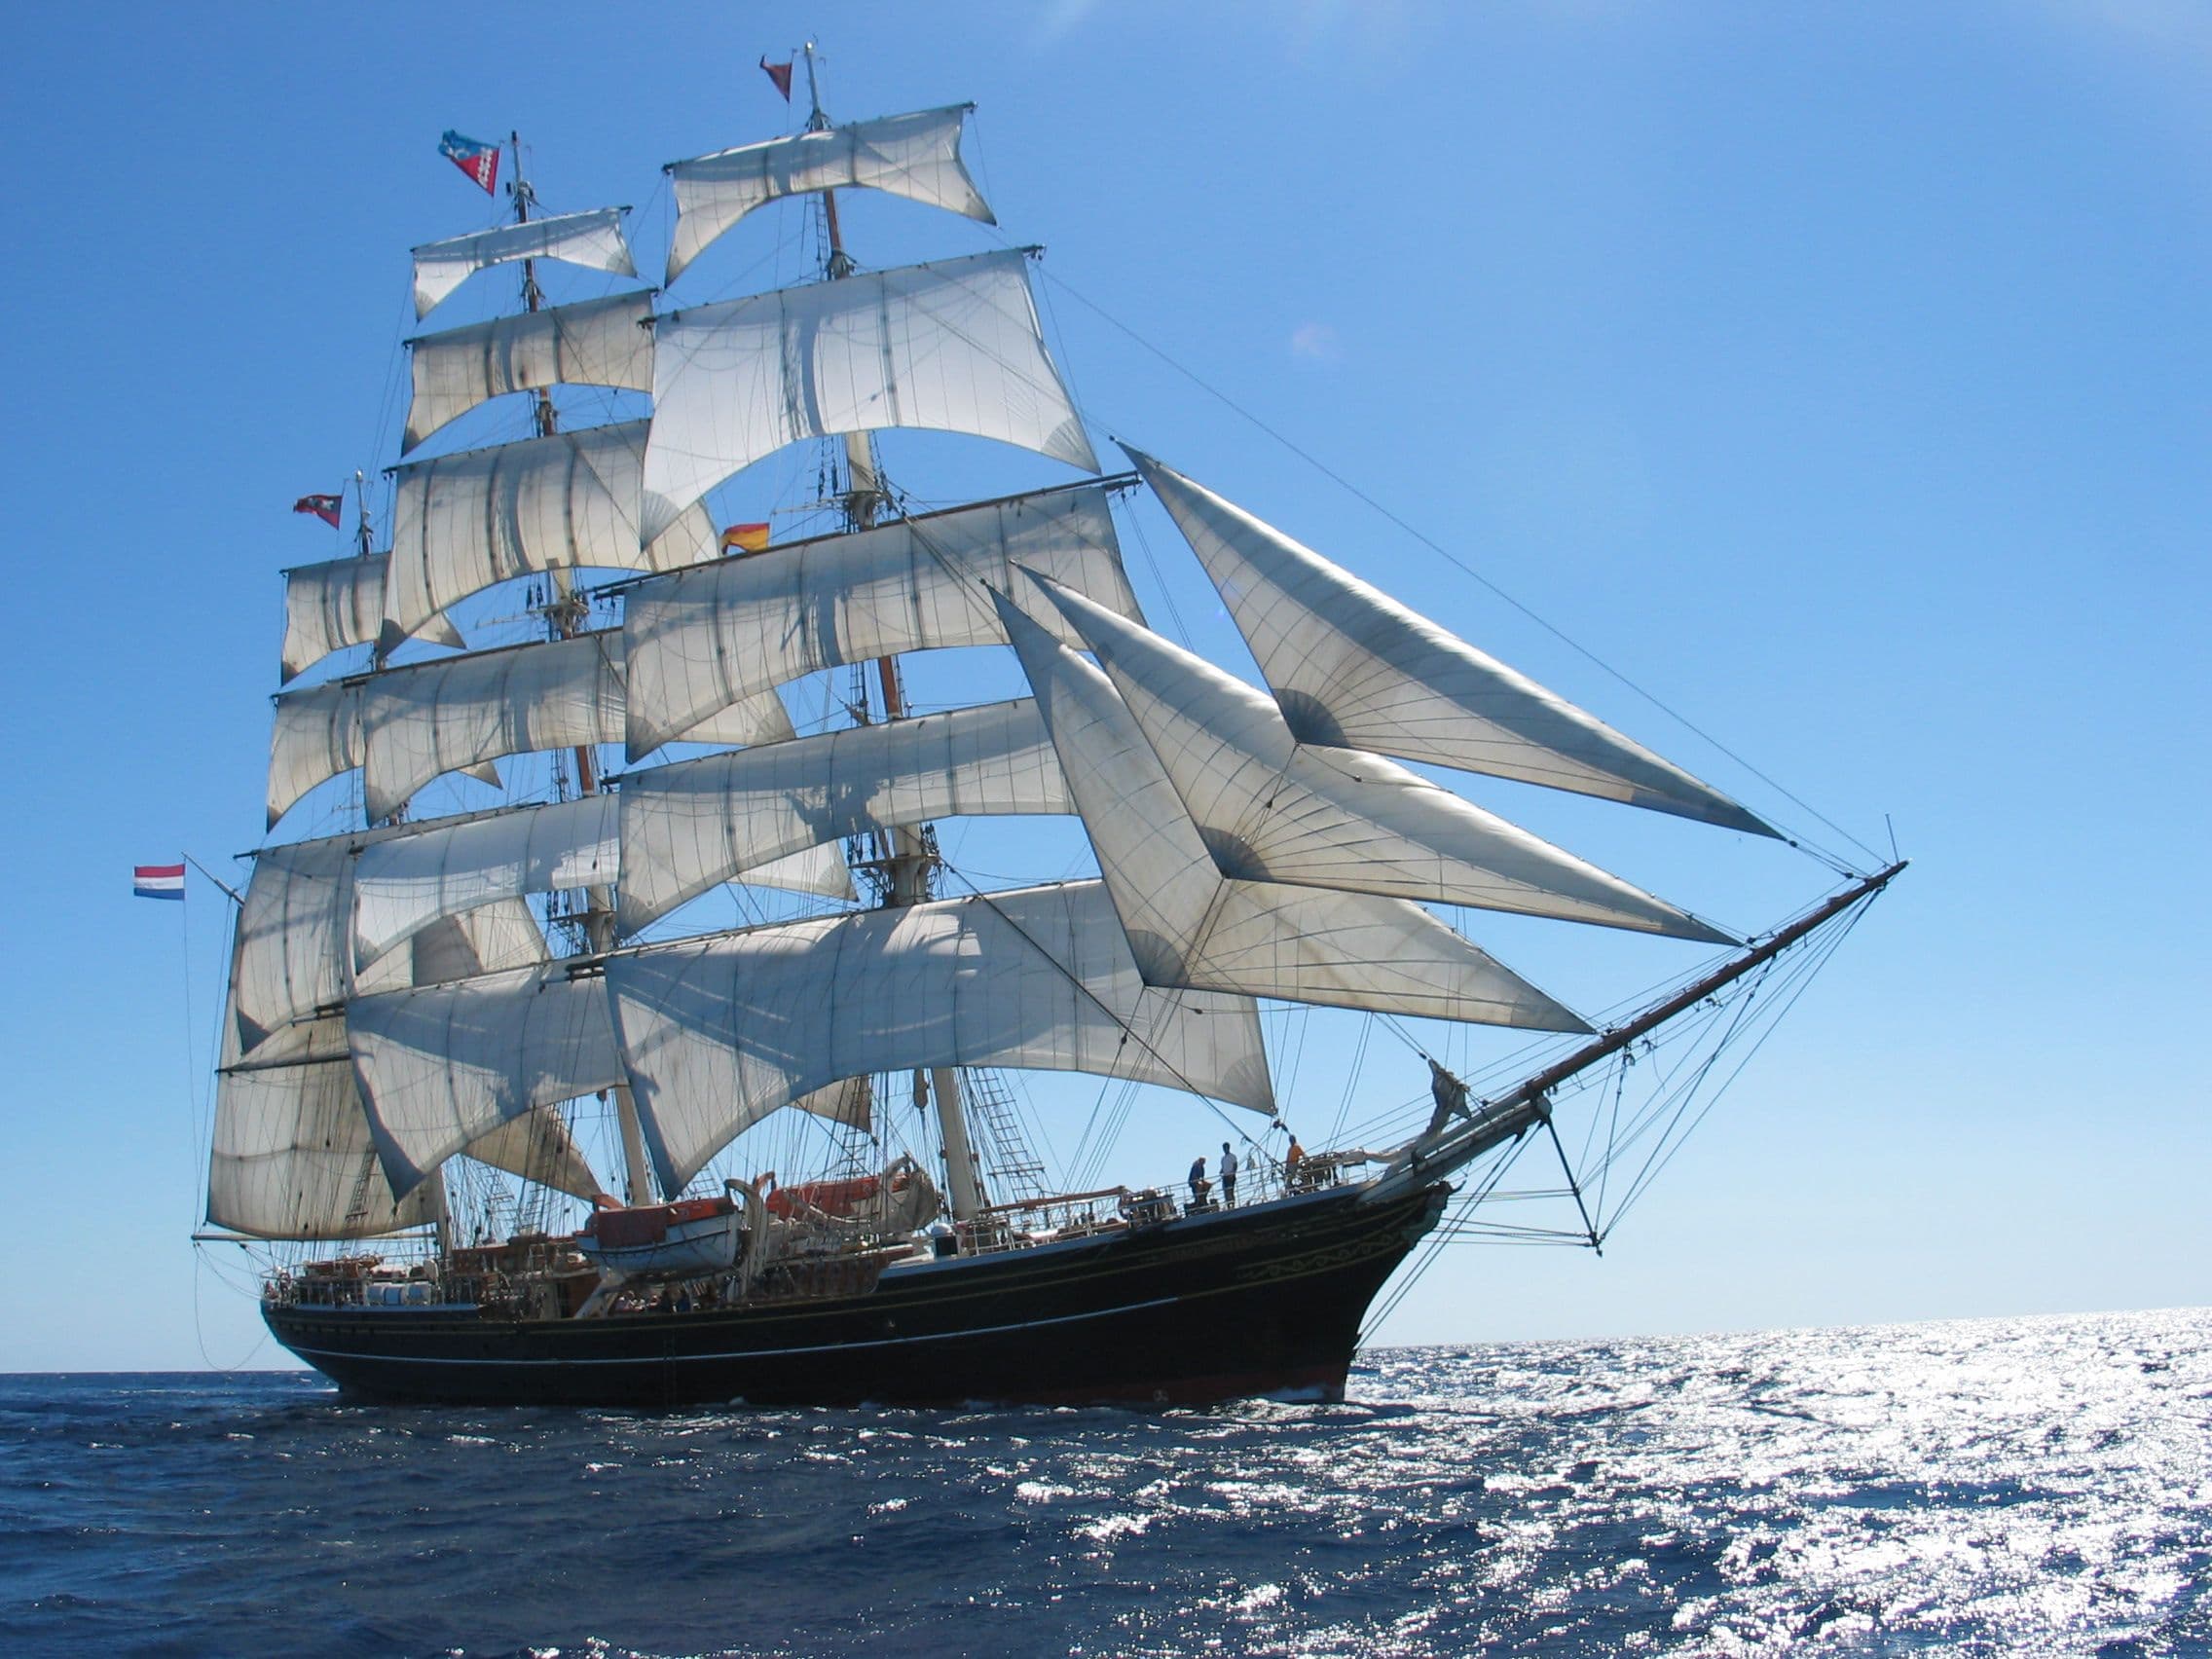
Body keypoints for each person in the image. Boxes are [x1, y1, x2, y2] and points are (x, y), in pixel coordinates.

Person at [1426, 1057, 1473, 1138]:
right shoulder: (1440, 1083)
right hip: (1443, 1109)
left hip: (1444, 1110)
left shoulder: (1441, 1083)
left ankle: (1432, 1136)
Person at [1219, 1141, 1237, 1206]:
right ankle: (1228, 1205)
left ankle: (1233, 1204)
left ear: (1228, 1148)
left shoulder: (1233, 1156)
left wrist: (1233, 1173)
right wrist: (1221, 1171)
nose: (1225, 1149)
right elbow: (1223, 1167)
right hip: (1225, 1176)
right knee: (1226, 1191)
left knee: (1230, 1191)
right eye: (1224, 1148)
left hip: (1231, 1176)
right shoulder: (1223, 1158)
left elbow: (1235, 1165)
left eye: (1226, 1148)